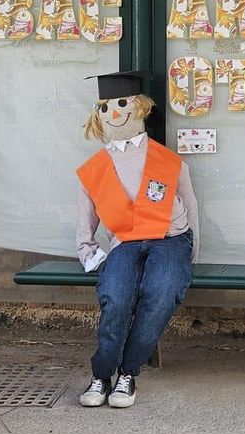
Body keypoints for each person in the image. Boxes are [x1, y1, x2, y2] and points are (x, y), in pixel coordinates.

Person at [73, 71, 198, 408]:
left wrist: (190, 254)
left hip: (170, 238)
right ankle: (101, 375)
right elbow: (86, 222)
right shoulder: (94, 169)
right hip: (125, 242)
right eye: (105, 107)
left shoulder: (169, 161)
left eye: (123, 104)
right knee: (115, 296)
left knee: (161, 293)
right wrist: (90, 254)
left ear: (140, 108)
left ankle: (128, 373)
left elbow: (191, 204)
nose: (114, 112)